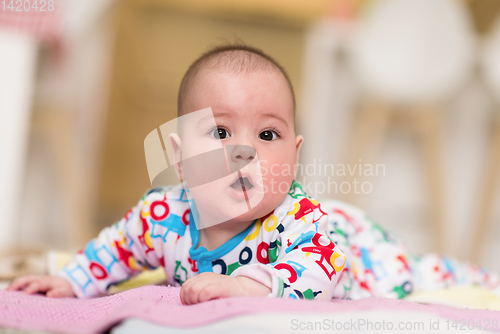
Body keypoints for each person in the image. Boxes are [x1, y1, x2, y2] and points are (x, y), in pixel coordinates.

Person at [6, 45, 498, 304]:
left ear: (295, 153)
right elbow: (116, 248)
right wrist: (74, 279)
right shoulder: (163, 214)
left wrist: (253, 285)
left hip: (360, 250)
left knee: (429, 273)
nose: (244, 153)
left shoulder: (299, 222)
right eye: (220, 132)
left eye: (268, 136)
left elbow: (322, 271)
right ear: (179, 158)